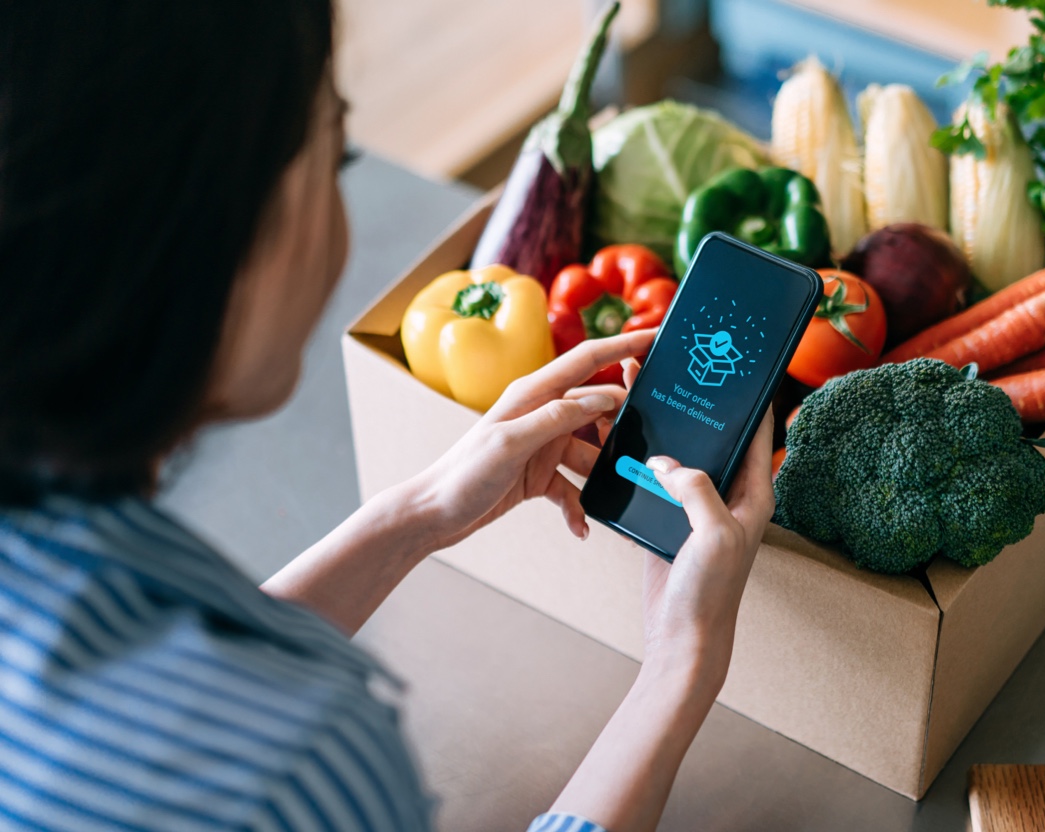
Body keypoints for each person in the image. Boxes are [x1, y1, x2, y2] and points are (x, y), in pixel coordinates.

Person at [0, 3, 776, 830]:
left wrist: (419, 513)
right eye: (337, 155)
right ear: (207, 232)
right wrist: (680, 661)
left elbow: (149, 693)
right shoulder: (298, 769)